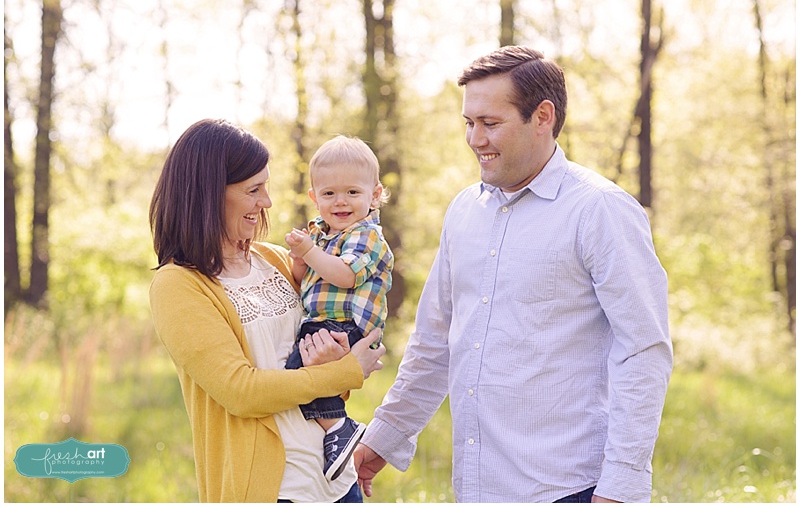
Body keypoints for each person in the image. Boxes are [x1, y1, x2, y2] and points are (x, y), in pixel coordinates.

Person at [354, 46, 673, 503]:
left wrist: (620, 488)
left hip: (570, 488)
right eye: (469, 123)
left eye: (490, 123)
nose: (475, 139)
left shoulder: (598, 210)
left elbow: (644, 350)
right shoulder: (464, 211)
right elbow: (434, 344)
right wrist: (383, 438)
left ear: (542, 116)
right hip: (478, 487)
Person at [148, 118, 385, 503]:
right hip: (273, 490)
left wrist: (339, 363)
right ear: (211, 195)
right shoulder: (179, 285)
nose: (267, 202)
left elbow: (327, 380)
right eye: (254, 189)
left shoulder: (275, 259)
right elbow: (241, 392)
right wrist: (345, 370)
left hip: (336, 484)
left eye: (266, 187)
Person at [284, 135, 393, 482]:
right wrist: (299, 261)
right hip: (321, 322)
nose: (340, 202)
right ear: (315, 197)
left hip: (349, 326)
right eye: (329, 194)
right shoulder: (319, 234)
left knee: (297, 376)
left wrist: (309, 253)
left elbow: (345, 275)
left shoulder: (366, 235)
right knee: (296, 378)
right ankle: (333, 435)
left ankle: (340, 428)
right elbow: (305, 280)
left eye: (352, 192)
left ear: (374, 195)